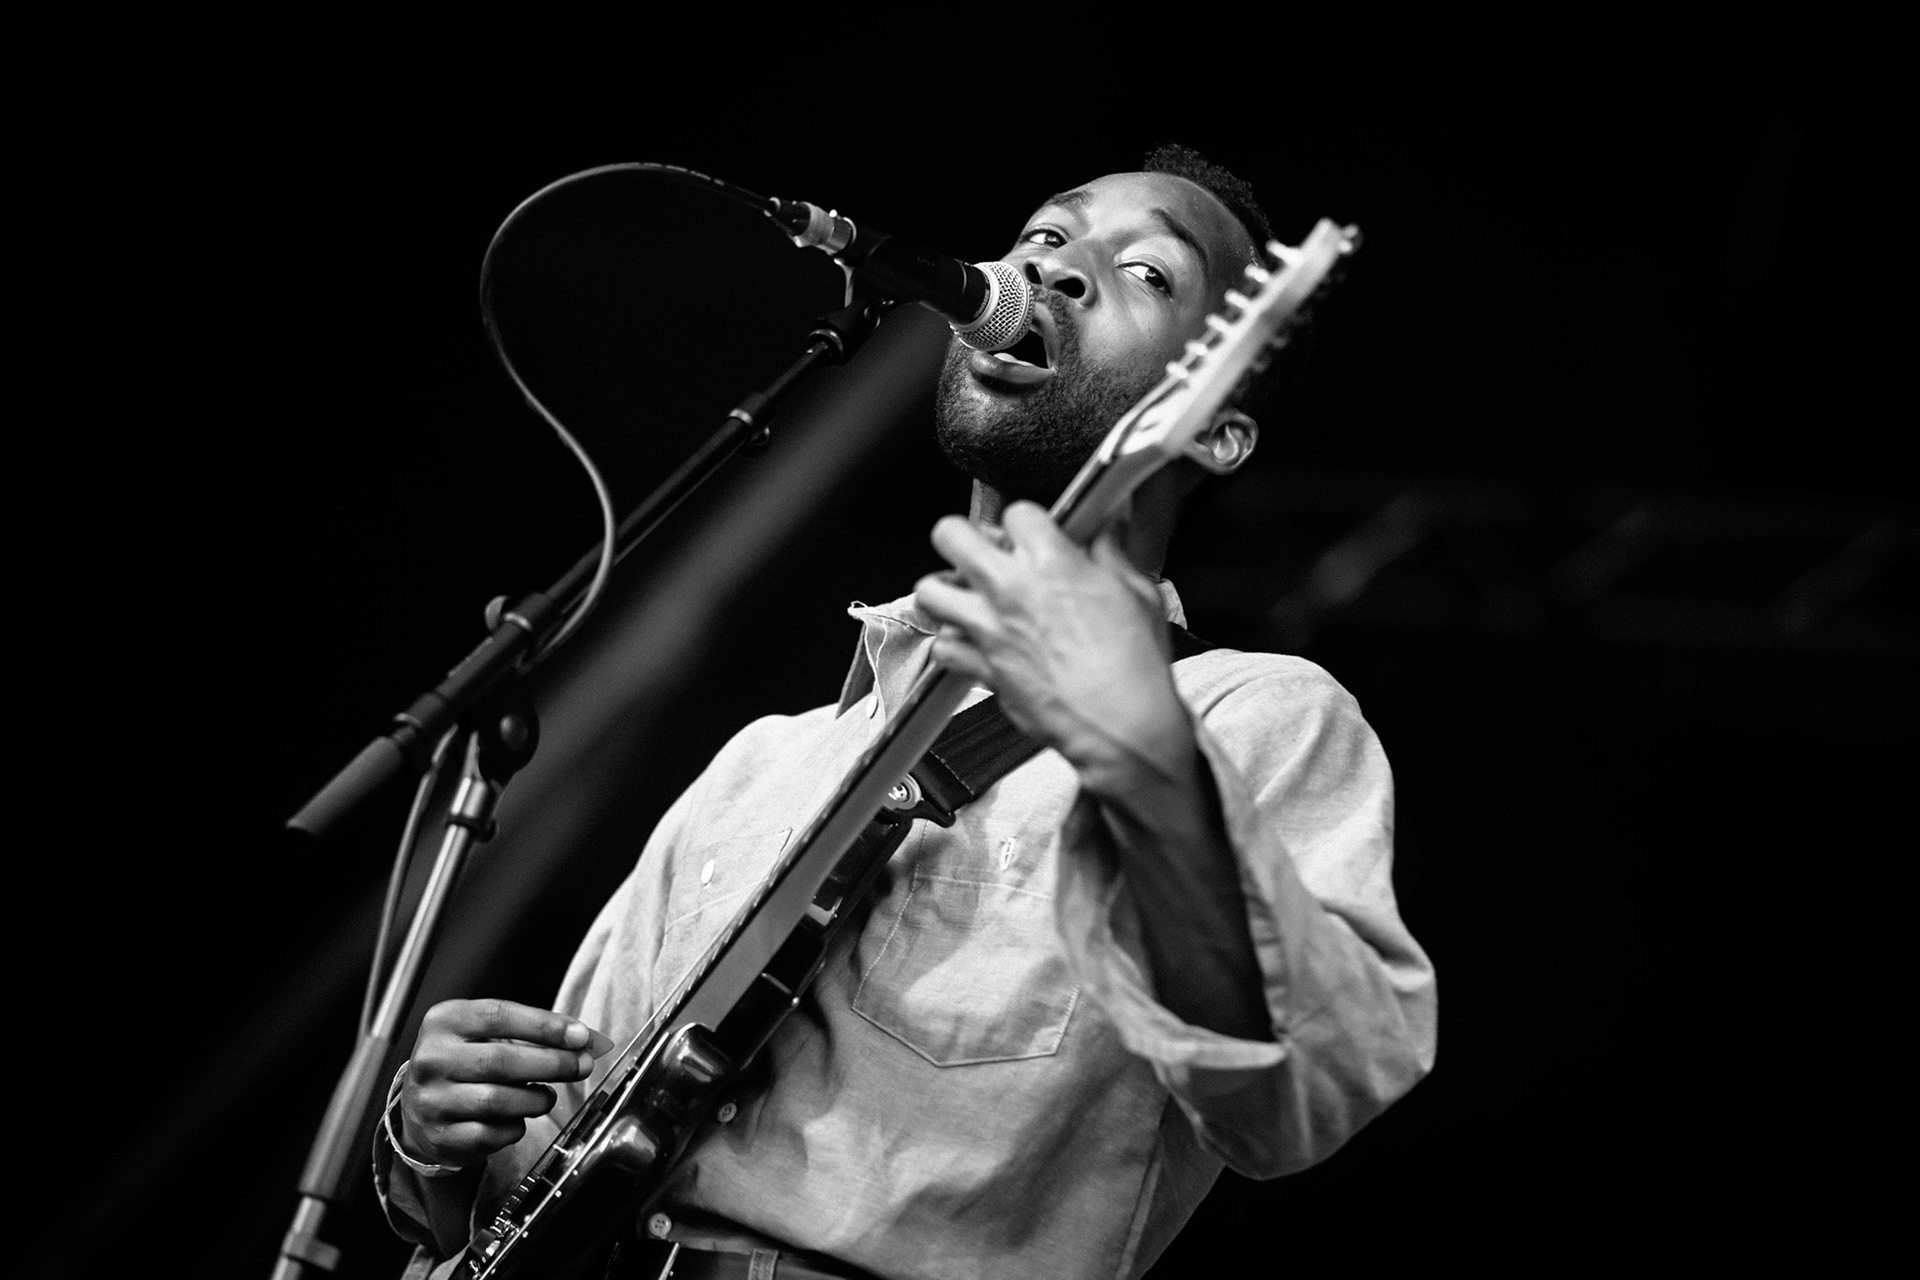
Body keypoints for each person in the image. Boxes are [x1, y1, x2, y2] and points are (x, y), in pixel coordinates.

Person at [374, 145, 1438, 1280]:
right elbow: (558, 1160)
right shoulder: (762, 765)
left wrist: (1146, 756)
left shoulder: (1252, 717)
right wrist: (436, 1140)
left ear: (1217, 422)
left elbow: (1301, 1094)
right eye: (1044, 237)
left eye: (1148, 274)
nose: (1058, 267)